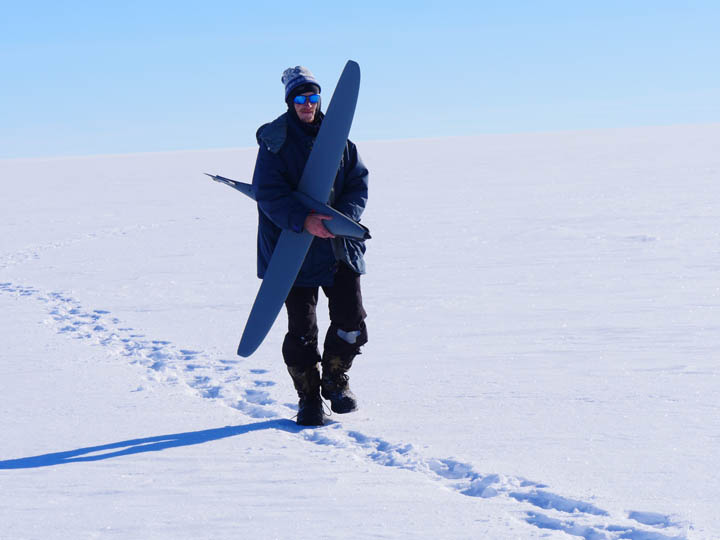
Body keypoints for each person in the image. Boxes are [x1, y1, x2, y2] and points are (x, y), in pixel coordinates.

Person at [251, 66, 369, 426]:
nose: (307, 104)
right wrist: (304, 221)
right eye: (300, 98)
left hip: (336, 248)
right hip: (293, 251)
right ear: (291, 102)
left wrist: (337, 220)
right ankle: (309, 400)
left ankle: (335, 381)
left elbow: (357, 185)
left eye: (313, 97)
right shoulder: (276, 142)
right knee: (302, 331)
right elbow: (268, 194)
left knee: (351, 320)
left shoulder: (342, 142)